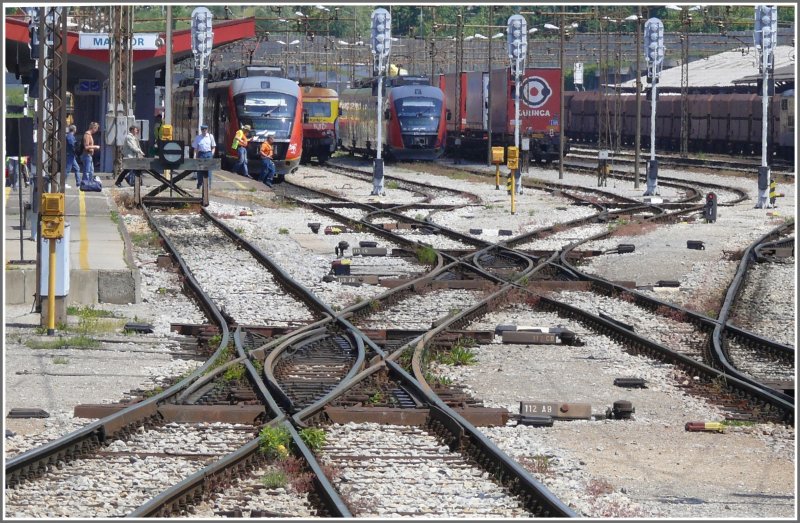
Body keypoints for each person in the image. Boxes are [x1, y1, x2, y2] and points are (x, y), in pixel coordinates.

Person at [192, 123, 216, 189]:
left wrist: (212, 154)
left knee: (209, 171)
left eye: (205, 129)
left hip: (208, 154)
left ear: (207, 130)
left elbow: (213, 147)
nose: (204, 130)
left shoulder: (211, 137)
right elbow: (195, 149)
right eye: (202, 129)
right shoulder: (198, 138)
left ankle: (209, 186)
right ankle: (199, 184)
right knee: (200, 171)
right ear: (201, 130)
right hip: (201, 154)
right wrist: (194, 156)